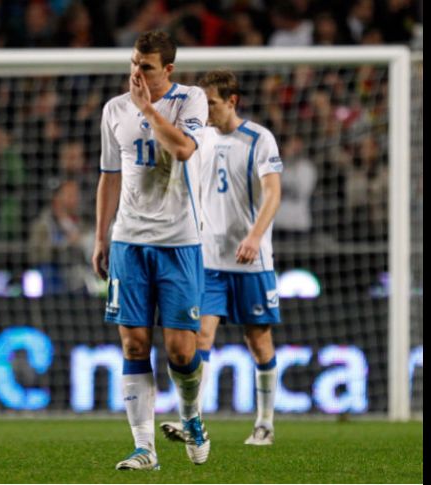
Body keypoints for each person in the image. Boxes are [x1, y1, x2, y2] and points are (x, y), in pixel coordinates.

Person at [92, 30, 209, 470]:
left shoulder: (190, 100)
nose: (136, 74)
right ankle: (145, 448)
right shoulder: (113, 110)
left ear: (169, 71)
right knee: (134, 343)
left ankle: (192, 417)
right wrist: (101, 236)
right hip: (129, 241)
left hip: (179, 241)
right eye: (133, 64)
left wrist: (147, 109)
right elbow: (109, 175)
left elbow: (182, 149)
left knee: (181, 352)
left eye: (146, 67)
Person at [159, 70, 283, 446]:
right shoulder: (200, 139)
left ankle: (264, 422)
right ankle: (191, 420)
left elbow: (274, 192)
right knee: (200, 339)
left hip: (251, 261)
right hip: (208, 260)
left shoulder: (259, 138)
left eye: (211, 102)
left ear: (232, 101)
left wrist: (255, 236)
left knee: (258, 340)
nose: (206, 110)